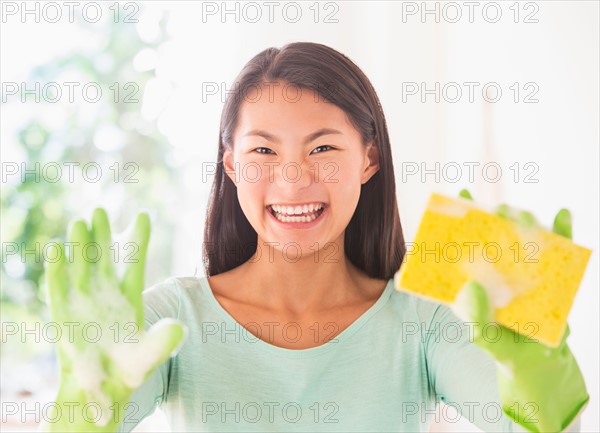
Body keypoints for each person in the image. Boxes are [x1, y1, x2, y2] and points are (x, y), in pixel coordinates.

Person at [44, 42, 588, 433]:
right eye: (263, 151)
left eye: (323, 148)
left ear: (369, 160)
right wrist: (82, 406)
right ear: (231, 166)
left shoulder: (425, 318)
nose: (293, 177)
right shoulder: (169, 317)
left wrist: (544, 377)